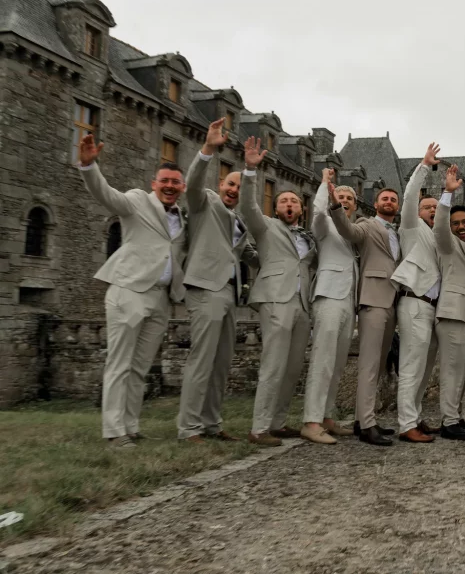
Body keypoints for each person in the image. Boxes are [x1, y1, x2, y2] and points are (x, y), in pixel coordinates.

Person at [77, 134, 187, 448]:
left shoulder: (182, 217)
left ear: (182, 187)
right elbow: (106, 196)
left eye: (175, 182)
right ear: (154, 184)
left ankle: (131, 426)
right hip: (129, 291)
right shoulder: (137, 200)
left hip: (161, 297)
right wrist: (89, 166)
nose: (169, 186)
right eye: (164, 180)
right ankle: (114, 432)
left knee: (140, 367)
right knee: (120, 363)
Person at [178, 118, 256, 444]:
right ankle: (188, 428)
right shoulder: (204, 202)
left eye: (240, 187)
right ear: (221, 183)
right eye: (230, 184)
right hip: (205, 288)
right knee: (201, 359)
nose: (234, 190)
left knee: (222, 362)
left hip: (229, 294)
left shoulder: (240, 223)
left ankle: (211, 423)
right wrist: (208, 148)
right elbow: (193, 183)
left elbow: (251, 255)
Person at [239, 137, 318, 446]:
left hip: (302, 303)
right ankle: (258, 428)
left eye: (294, 202)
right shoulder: (266, 227)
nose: (289, 205)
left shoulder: (308, 237)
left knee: (293, 366)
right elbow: (247, 206)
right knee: (273, 363)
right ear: (276, 207)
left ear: (301, 208)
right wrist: (249, 170)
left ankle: (278, 421)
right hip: (275, 299)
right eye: (283, 201)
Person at [328, 182, 402, 446]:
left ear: (397, 205)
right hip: (372, 298)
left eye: (393, 199)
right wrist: (336, 206)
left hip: (392, 300)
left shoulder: (399, 232)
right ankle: (367, 425)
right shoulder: (367, 225)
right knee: (369, 365)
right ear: (376, 203)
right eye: (384, 198)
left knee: (379, 364)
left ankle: (363, 419)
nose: (389, 201)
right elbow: (347, 230)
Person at [300, 168, 359, 444]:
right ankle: (311, 421)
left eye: (349, 198)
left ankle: (327, 417)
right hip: (329, 296)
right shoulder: (324, 228)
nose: (344, 200)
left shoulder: (351, 233)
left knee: (336, 364)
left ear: (355, 206)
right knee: (322, 361)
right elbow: (318, 213)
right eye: (341, 195)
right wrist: (325, 185)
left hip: (348, 299)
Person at [390, 143, 443, 443]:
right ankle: (406, 424)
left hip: (433, 307)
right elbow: (410, 197)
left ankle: (415, 416)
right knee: (411, 366)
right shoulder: (411, 226)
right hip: (414, 303)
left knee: (423, 367)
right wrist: (424, 166)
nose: (432, 211)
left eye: (436, 209)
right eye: (428, 207)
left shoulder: (438, 237)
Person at [433, 166, 465, 441]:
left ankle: (456, 415)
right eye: (458, 224)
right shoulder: (447, 245)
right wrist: (447, 195)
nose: (462, 227)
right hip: (453, 315)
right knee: (452, 370)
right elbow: (440, 226)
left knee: (462, 370)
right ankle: (449, 421)